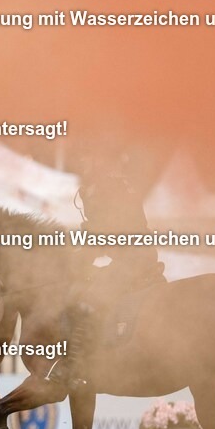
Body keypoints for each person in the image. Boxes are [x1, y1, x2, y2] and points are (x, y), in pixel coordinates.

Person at [48, 159, 165, 389]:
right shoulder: (119, 186)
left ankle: (75, 366)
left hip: (132, 260)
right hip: (136, 256)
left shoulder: (108, 193)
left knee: (87, 300)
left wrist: (76, 258)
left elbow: (101, 234)